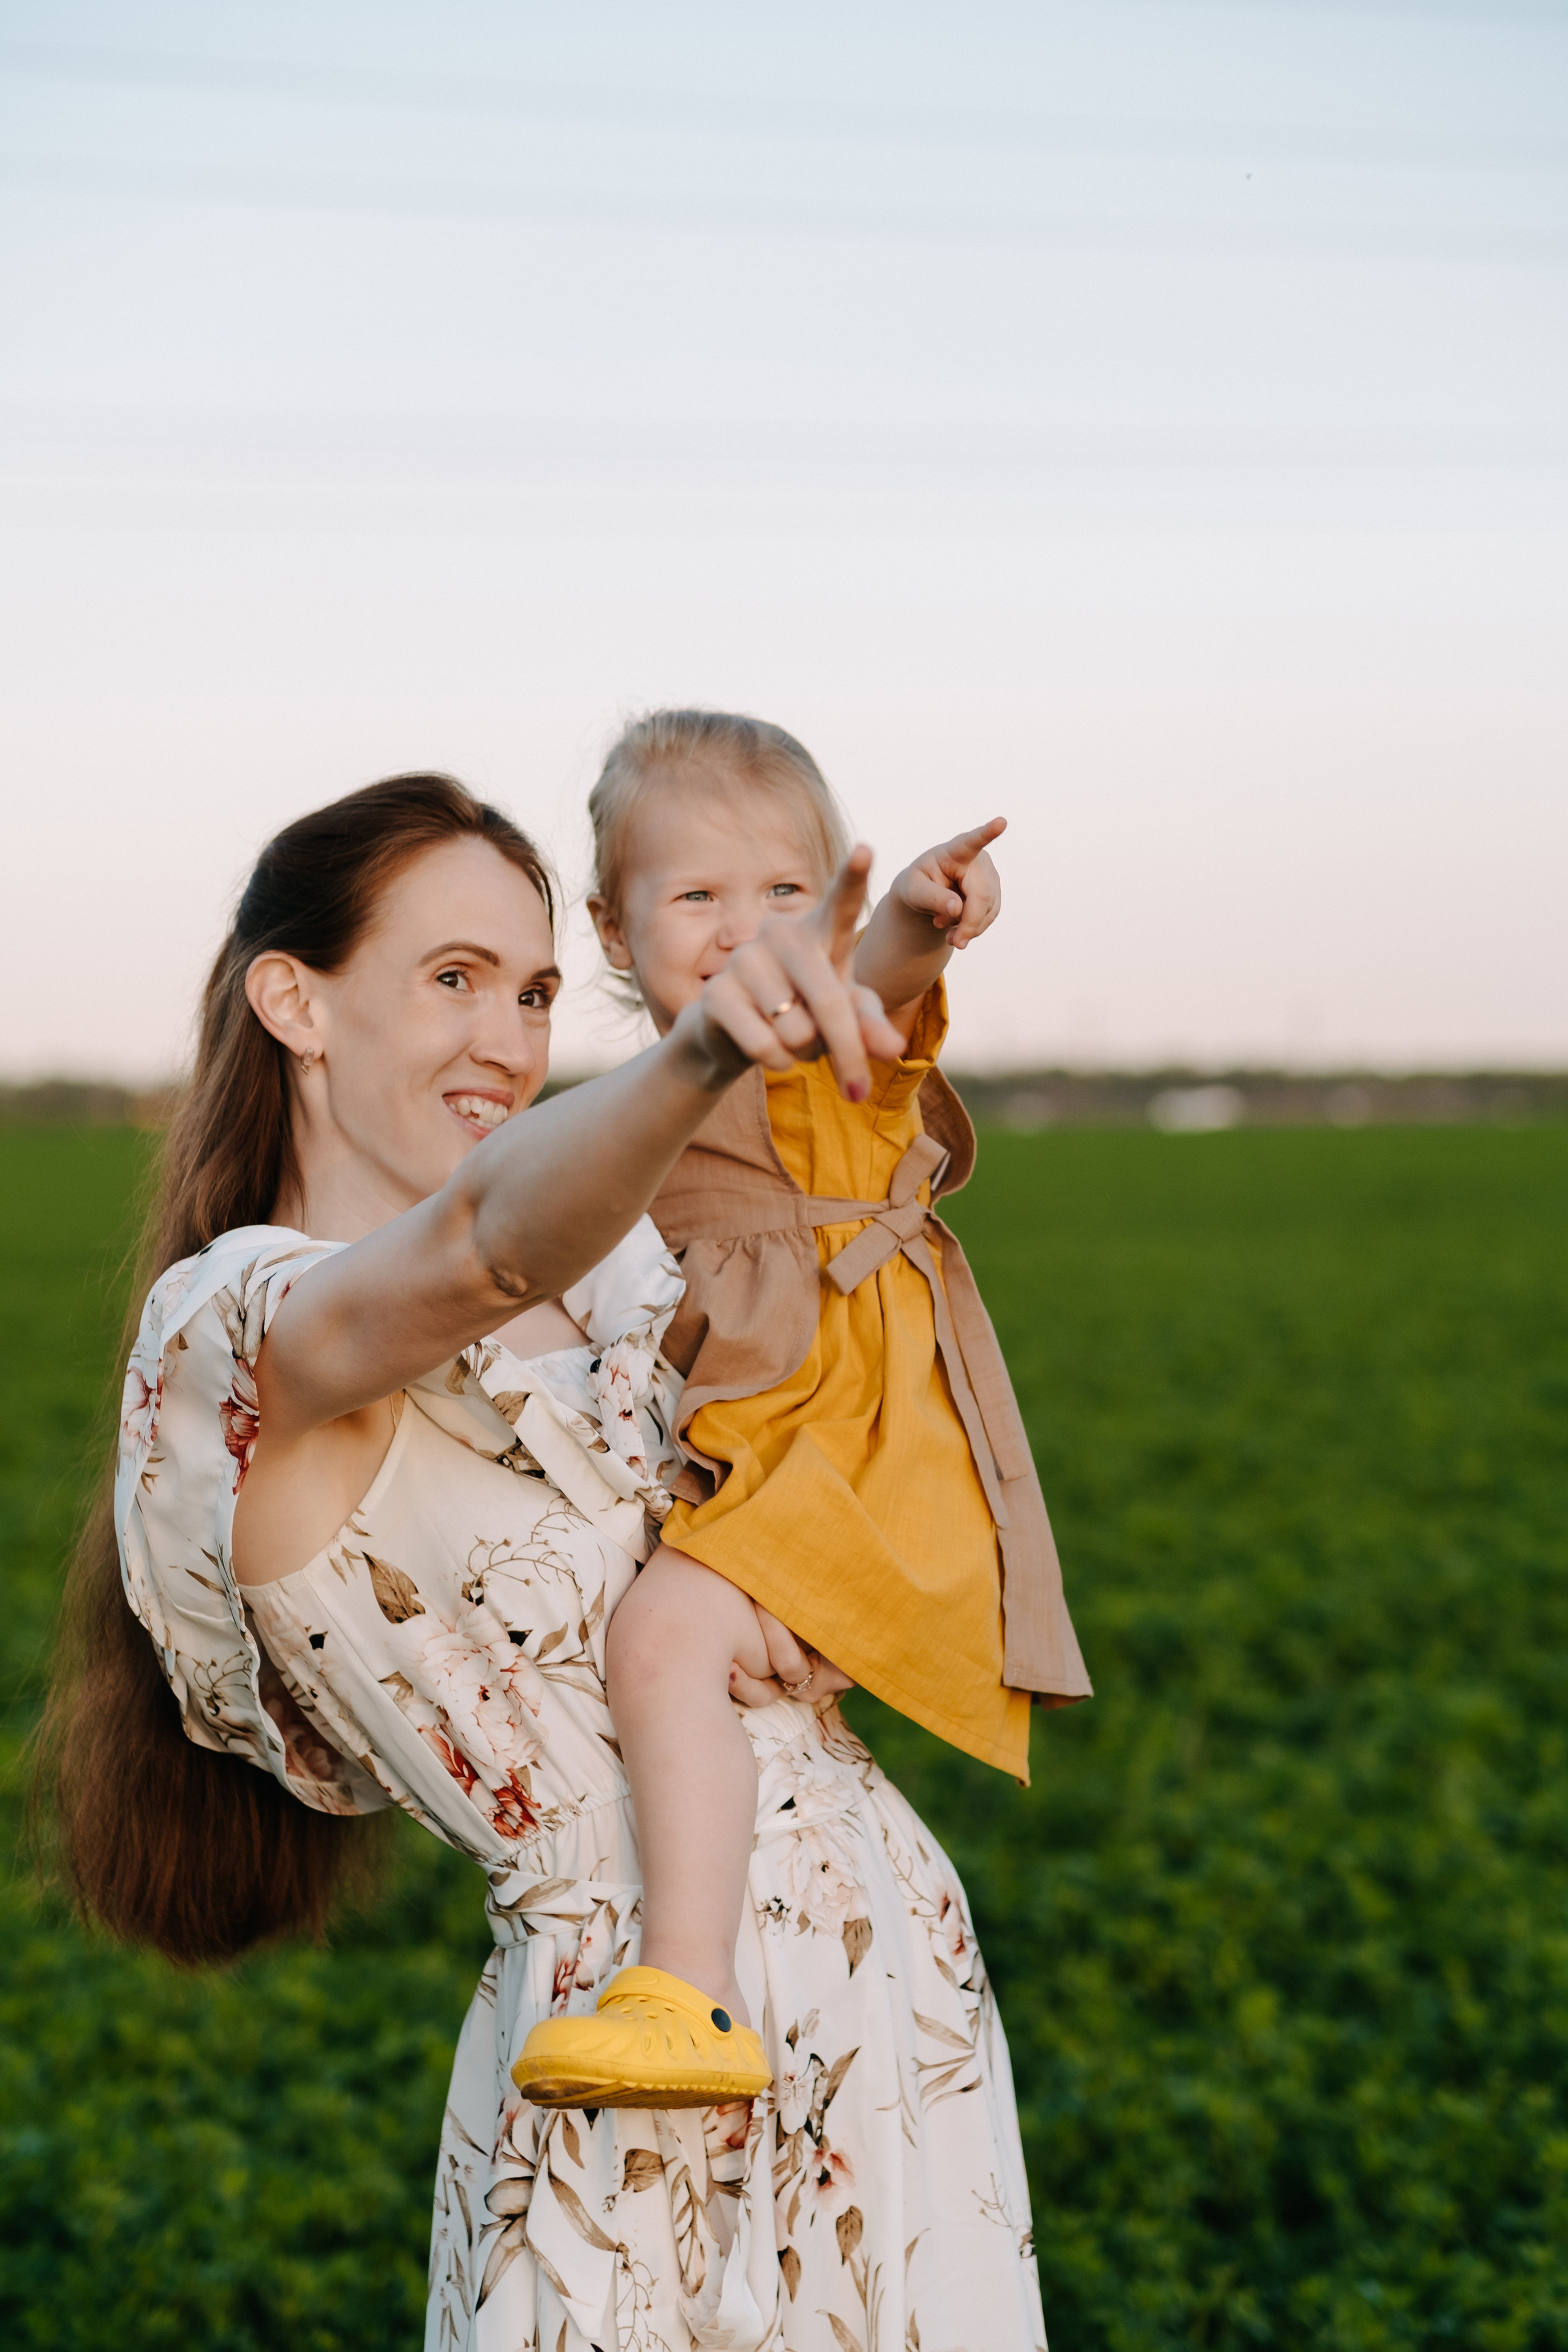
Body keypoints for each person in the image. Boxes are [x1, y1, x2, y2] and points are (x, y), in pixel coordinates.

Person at [43, 771, 1050, 2351]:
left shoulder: (633, 1289)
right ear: (293, 1001)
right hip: (632, 2044)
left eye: (529, 991)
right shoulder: (243, 1331)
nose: (506, 1041)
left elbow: (834, 1379)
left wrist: (824, 1577)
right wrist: (703, 1042)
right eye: (450, 981)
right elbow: (475, 1246)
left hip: (886, 2005)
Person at [514, 710, 1091, 2112]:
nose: (747, 932)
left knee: (660, 1637)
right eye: (698, 896)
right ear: (609, 924)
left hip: (843, 1440)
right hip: (766, 1443)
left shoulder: (810, 1062)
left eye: (786, 895)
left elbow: (872, 1006)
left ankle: (689, 1991)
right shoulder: (635, 1107)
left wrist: (908, 922)